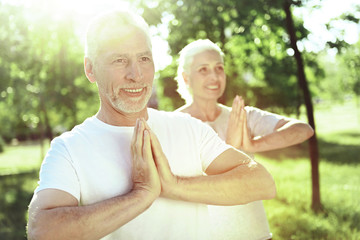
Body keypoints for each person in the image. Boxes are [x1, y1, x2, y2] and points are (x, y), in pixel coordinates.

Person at [26, 11, 276, 240]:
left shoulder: (188, 127)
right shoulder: (70, 148)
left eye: (143, 58)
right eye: (119, 60)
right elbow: (42, 230)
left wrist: (174, 185)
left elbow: (262, 182)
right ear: (90, 69)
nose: (136, 74)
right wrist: (141, 195)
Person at [175, 39, 314, 240]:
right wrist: (232, 148)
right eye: (203, 70)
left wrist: (253, 144)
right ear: (186, 79)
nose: (214, 76)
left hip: (257, 234)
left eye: (219, 68)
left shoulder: (241, 116)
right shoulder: (176, 124)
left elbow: (303, 130)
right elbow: (182, 187)